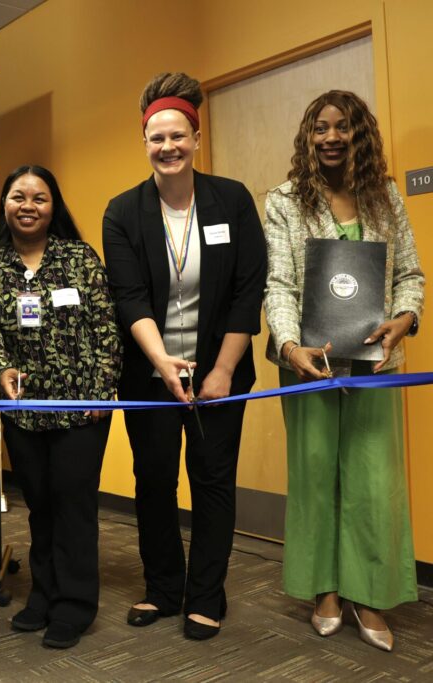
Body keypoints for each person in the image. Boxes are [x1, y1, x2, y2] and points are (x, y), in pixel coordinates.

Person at [102, 72, 266, 640]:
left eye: (178, 136)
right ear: (144, 143)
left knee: (213, 481)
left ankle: (206, 595)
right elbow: (130, 297)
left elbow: (249, 290)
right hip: (149, 375)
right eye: (156, 138)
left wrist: (221, 370)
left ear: (196, 138)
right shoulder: (123, 213)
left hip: (220, 370)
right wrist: (163, 361)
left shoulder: (232, 200)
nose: (167, 147)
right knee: (153, 482)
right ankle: (163, 589)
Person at [263, 90, 424, 652]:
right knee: (314, 475)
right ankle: (324, 589)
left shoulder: (385, 198)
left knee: (374, 482)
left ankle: (371, 591)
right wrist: (288, 345)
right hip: (310, 366)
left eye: (343, 128)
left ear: (361, 135)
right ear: (308, 137)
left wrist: (405, 318)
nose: (331, 137)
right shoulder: (283, 201)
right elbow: (278, 284)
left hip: (376, 364)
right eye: (320, 128)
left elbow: (411, 274)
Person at [0, 165, 120, 649]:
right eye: (18, 197)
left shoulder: (79, 259)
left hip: (82, 410)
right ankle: (44, 593)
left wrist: (102, 388)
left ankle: (74, 606)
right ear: (5, 205)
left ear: (53, 205)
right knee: (39, 507)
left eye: (39, 197)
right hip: (22, 410)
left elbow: (106, 330)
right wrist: (0, 369)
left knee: (73, 506)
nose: (28, 206)